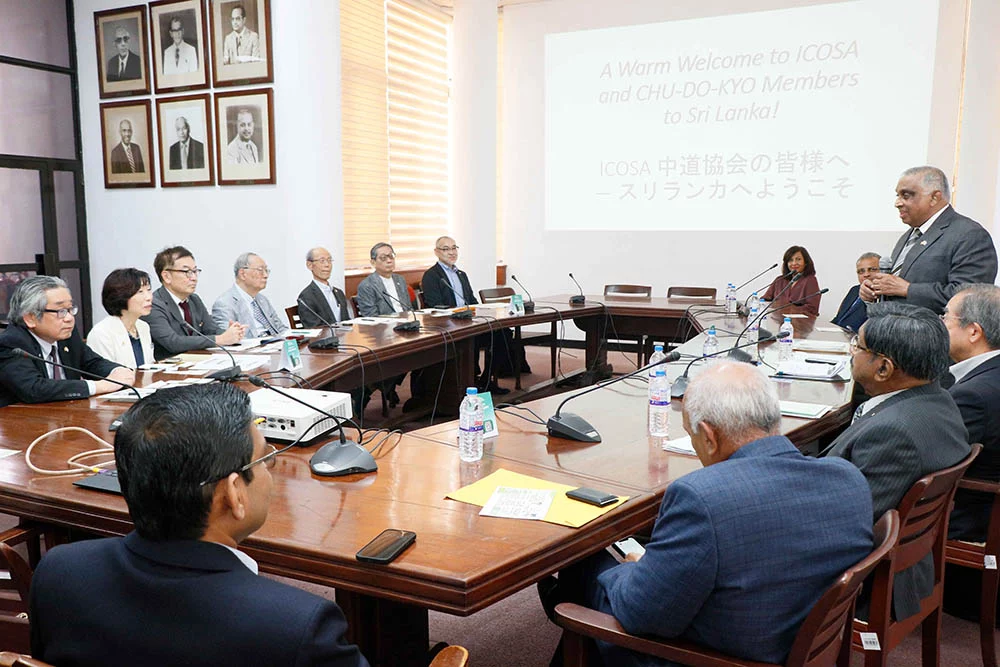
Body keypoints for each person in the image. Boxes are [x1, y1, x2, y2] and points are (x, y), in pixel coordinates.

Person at [540, 361, 873, 666]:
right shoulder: (849, 480)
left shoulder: (702, 499)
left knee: (583, 562)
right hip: (795, 644)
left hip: (710, 657)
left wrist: (633, 570)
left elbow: (640, 615)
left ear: (710, 437)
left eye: (692, 435)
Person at [28, 383, 368, 666]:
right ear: (233, 494)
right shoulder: (298, 628)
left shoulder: (59, 572)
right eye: (265, 458)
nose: (270, 471)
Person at [826, 302, 969, 621]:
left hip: (863, 586)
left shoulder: (893, 434)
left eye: (857, 345)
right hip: (905, 564)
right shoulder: (939, 400)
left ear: (884, 369)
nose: (851, 352)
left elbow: (849, 526)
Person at [861, 166, 998, 314]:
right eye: (897, 196)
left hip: (934, 328)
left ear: (934, 197)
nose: (898, 203)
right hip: (893, 325)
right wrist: (874, 291)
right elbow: (896, 288)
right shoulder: (909, 235)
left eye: (906, 196)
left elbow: (972, 298)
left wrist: (908, 289)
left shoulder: (969, 234)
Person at [0, 276, 133, 408]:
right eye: (61, 311)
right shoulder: (10, 343)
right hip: (22, 418)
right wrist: (100, 386)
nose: (69, 318)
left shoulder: (66, 334)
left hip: (67, 413)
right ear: (30, 318)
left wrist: (118, 371)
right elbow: (34, 388)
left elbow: (92, 362)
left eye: (70, 309)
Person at [421, 236, 522, 389]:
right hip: (450, 327)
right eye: (446, 249)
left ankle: (486, 380)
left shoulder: (461, 274)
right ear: (436, 252)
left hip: (468, 322)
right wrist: (458, 313)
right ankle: (471, 381)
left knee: (503, 334)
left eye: (454, 248)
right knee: (470, 339)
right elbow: (435, 305)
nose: (451, 252)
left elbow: (471, 300)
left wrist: (480, 310)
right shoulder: (431, 276)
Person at [940, 284, 1000, 542]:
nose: (941, 324)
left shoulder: (973, 396)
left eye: (946, 317)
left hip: (969, 521)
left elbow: (935, 466)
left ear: (974, 331)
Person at [144, 246, 245, 360]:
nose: (194, 278)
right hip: (170, 366)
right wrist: (221, 339)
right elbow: (173, 342)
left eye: (195, 271)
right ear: (167, 276)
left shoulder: (194, 300)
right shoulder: (153, 304)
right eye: (187, 272)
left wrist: (232, 333)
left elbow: (211, 329)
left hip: (198, 362)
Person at [86, 268, 155, 369]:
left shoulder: (143, 327)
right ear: (120, 296)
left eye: (148, 290)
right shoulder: (102, 333)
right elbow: (104, 373)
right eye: (140, 292)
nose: (148, 297)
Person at [212, 253, 289, 337]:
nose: (266, 275)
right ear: (242, 274)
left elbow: (280, 328)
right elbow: (228, 338)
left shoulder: (262, 299)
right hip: (253, 344)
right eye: (260, 270)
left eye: (266, 270)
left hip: (276, 342)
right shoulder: (224, 303)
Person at [297, 247, 352, 327]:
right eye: (322, 261)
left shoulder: (339, 293)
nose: (327, 265)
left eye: (329, 260)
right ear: (309, 265)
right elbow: (313, 327)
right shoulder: (306, 297)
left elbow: (346, 322)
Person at [760, 245, 821, 316]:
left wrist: (787, 309)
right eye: (790, 260)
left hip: (799, 321)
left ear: (806, 262)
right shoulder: (780, 280)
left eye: (798, 259)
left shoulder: (810, 280)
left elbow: (812, 308)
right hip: (777, 319)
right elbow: (765, 300)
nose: (794, 263)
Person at [356, 243, 412, 316]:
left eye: (391, 256)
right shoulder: (367, 286)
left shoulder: (400, 280)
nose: (389, 260)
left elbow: (409, 308)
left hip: (406, 320)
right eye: (383, 258)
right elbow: (371, 316)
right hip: (385, 323)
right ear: (373, 262)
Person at [831, 252, 880, 332]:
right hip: (839, 334)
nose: (866, 274)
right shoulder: (854, 290)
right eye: (861, 271)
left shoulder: (885, 297)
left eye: (872, 269)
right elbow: (838, 318)